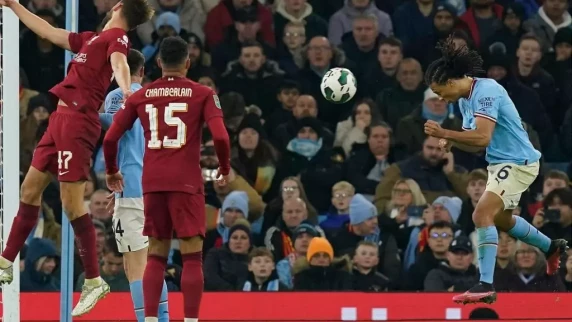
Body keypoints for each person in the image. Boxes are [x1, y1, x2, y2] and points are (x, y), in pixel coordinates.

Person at [0, 0, 153, 317]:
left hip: (78, 124)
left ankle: (94, 280)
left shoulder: (118, 38)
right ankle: (5, 262)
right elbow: (51, 32)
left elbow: (120, 64)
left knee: (71, 204)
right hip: (59, 120)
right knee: (29, 191)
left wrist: (126, 90)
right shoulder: (90, 40)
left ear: (119, 7)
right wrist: (15, 6)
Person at [423, 35, 568, 304]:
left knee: (481, 214)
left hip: (518, 162)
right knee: (501, 220)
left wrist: (445, 131)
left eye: (440, 90)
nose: (440, 97)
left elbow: (483, 138)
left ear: (452, 81)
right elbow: (475, 143)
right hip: (500, 164)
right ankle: (550, 248)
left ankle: (485, 285)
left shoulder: (486, 91)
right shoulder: (466, 99)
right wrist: (452, 140)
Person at [102, 36, 231, 322]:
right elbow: (221, 136)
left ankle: (149, 319)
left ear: (159, 63)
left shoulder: (140, 96)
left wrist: (111, 170)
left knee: (155, 257)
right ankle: (190, 319)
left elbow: (110, 137)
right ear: (188, 62)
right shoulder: (203, 93)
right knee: (191, 257)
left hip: (152, 183)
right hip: (187, 183)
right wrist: (224, 167)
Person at [99, 49, 169, 322]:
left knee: (135, 265)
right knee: (152, 262)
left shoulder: (119, 95)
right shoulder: (158, 98)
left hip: (133, 189)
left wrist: (88, 113)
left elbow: (119, 126)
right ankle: (161, 318)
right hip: (159, 188)